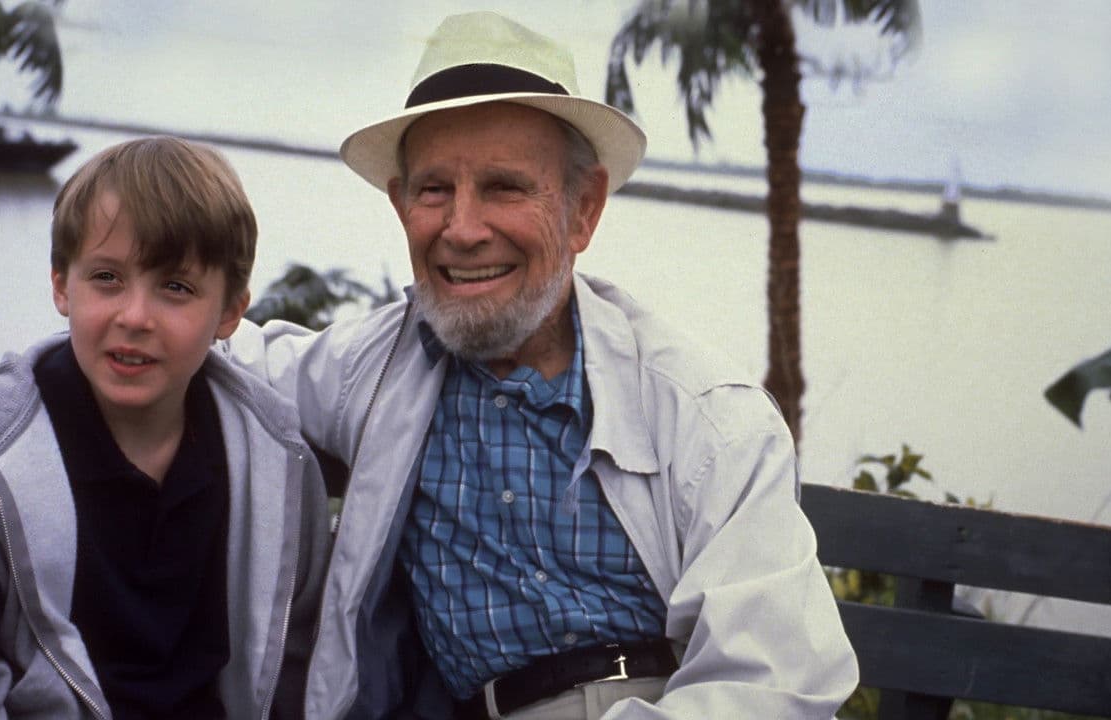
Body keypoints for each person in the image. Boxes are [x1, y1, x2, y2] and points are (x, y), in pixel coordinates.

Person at [228, 11, 857, 719]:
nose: (463, 229)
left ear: (584, 210)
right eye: (434, 190)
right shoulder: (370, 369)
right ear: (402, 206)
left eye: (504, 187)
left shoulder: (708, 418)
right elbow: (209, 347)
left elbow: (770, 683)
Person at [0, 137, 328, 719]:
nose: (135, 316)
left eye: (176, 287)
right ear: (61, 285)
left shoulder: (275, 465)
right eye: (107, 277)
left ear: (230, 312)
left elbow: (294, 675)